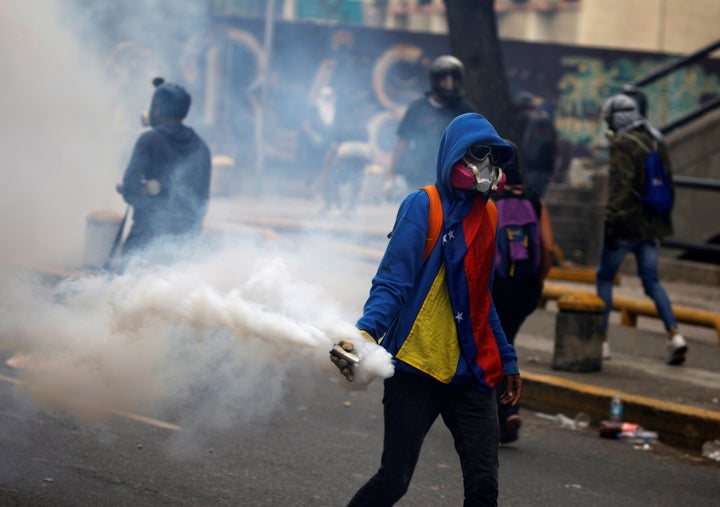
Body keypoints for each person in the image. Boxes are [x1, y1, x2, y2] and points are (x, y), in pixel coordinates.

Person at [330, 113, 522, 506]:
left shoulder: (488, 213)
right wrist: (363, 335)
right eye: (478, 154)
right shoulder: (422, 205)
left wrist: (507, 359)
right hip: (415, 370)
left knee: (484, 490)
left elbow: (483, 300)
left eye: (494, 157)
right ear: (453, 155)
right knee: (393, 481)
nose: (487, 166)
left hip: (471, 374)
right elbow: (392, 282)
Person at [596, 93, 687, 365]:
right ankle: (674, 334)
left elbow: (620, 188)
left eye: (609, 118)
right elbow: (668, 185)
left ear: (616, 117)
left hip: (625, 227)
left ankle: (601, 341)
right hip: (650, 229)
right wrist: (660, 223)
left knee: (604, 278)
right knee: (652, 282)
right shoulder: (656, 140)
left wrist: (612, 221)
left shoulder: (623, 144)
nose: (608, 124)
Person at [490, 140, 555, 444]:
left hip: (496, 286)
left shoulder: (489, 195)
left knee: (494, 344)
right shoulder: (533, 197)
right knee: (507, 340)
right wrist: (537, 283)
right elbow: (549, 247)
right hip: (526, 288)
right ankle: (506, 410)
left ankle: (504, 410)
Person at [117, 77, 212, 260]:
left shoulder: (149, 140)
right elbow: (203, 199)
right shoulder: (202, 146)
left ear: (157, 109)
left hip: (147, 233)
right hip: (186, 237)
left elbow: (130, 185)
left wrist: (144, 208)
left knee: (127, 279)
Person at [388, 55, 476, 190]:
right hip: (419, 173)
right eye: (445, 80)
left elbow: (475, 143)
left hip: (453, 174)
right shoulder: (417, 108)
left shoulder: (465, 109)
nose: (450, 85)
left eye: (454, 80)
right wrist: (391, 171)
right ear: (435, 81)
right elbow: (403, 140)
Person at [513, 91, 557, 197]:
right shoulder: (545, 120)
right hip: (544, 169)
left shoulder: (520, 120)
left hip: (527, 167)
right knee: (536, 200)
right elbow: (555, 145)